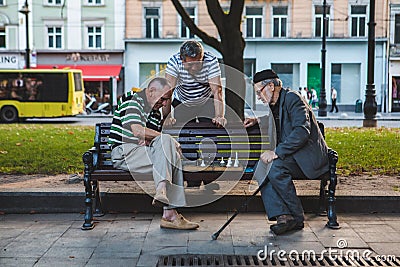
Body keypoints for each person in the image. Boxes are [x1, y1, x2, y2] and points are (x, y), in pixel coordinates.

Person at [243, 69, 330, 235]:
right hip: (293, 157)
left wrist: (275, 152)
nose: (258, 97)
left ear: (270, 86)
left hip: (308, 159)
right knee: (262, 168)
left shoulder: (293, 98)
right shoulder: (277, 102)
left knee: (274, 168)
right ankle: (283, 216)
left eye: (259, 92)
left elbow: (301, 131)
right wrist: (257, 120)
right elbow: (279, 118)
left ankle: (296, 217)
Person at [108, 77, 199, 230]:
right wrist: (158, 138)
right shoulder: (133, 100)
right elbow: (137, 131)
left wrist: (150, 138)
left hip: (141, 153)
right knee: (170, 149)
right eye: (163, 99)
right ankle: (168, 210)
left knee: (169, 152)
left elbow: (152, 141)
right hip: (124, 152)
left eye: (167, 100)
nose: (164, 104)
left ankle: (165, 202)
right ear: (151, 91)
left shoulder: (155, 114)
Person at [165, 40, 226, 127]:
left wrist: (219, 116)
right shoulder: (174, 62)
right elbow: (167, 91)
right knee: (184, 135)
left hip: (206, 101)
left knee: (210, 132)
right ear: (182, 60)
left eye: (198, 63)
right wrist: (167, 117)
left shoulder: (210, 61)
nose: (194, 68)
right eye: (190, 65)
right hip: (183, 102)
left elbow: (217, 91)